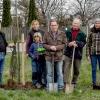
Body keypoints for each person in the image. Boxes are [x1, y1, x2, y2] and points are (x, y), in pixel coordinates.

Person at [43, 19, 67, 91]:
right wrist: (50, 47)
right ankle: (49, 88)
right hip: (49, 57)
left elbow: (64, 44)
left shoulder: (62, 34)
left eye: (55, 25)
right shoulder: (46, 34)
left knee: (59, 72)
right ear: (50, 26)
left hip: (59, 56)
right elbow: (43, 44)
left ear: (57, 25)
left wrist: (56, 48)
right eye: (52, 25)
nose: (53, 26)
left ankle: (60, 87)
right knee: (49, 73)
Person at [64, 18, 86, 88]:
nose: (75, 24)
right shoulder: (67, 32)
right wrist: (69, 43)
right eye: (74, 23)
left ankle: (74, 82)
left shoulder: (82, 34)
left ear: (79, 25)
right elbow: (64, 41)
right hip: (68, 53)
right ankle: (65, 82)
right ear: (72, 24)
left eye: (76, 23)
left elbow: (83, 43)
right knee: (66, 68)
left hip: (77, 54)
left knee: (77, 69)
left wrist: (77, 43)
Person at [26, 20, 46, 87]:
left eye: (36, 24)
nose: (35, 25)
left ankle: (41, 82)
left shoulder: (42, 32)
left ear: (38, 25)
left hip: (41, 58)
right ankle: (35, 83)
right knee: (35, 71)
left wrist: (42, 52)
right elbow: (28, 44)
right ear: (32, 25)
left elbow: (44, 45)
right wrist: (29, 53)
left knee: (41, 70)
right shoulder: (30, 33)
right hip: (34, 57)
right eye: (34, 24)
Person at [86, 18, 100, 89]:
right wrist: (88, 55)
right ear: (94, 24)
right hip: (93, 54)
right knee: (94, 69)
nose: (97, 24)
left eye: (99, 23)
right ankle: (94, 83)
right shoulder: (91, 32)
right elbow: (88, 44)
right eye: (96, 23)